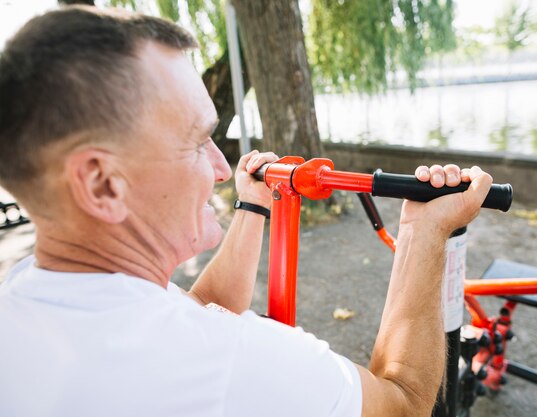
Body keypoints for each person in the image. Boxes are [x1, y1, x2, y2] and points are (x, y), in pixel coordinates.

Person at [0, 6, 492, 417]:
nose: (219, 166)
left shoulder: (24, 296)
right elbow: (403, 405)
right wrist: (423, 232)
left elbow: (192, 312)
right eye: (196, 143)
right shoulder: (230, 364)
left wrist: (251, 206)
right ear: (103, 184)